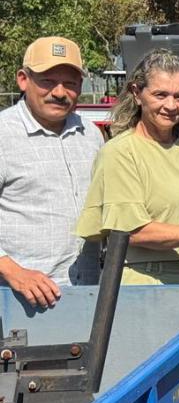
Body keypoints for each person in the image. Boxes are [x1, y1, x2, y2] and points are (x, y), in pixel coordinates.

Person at [76, 49, 179, 285]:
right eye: (160, 94)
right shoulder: (121, 152)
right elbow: (131, 231)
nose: (171, 105)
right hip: (147, 282)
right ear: (137, 93)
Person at [0, 37, 103, 308]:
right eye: (47, 81)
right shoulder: (3, 135)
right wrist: (14, 272)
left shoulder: (90, 135)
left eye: (70, 83)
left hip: (85, 295)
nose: (59, 92)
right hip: (17, 302)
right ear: (23, 79)